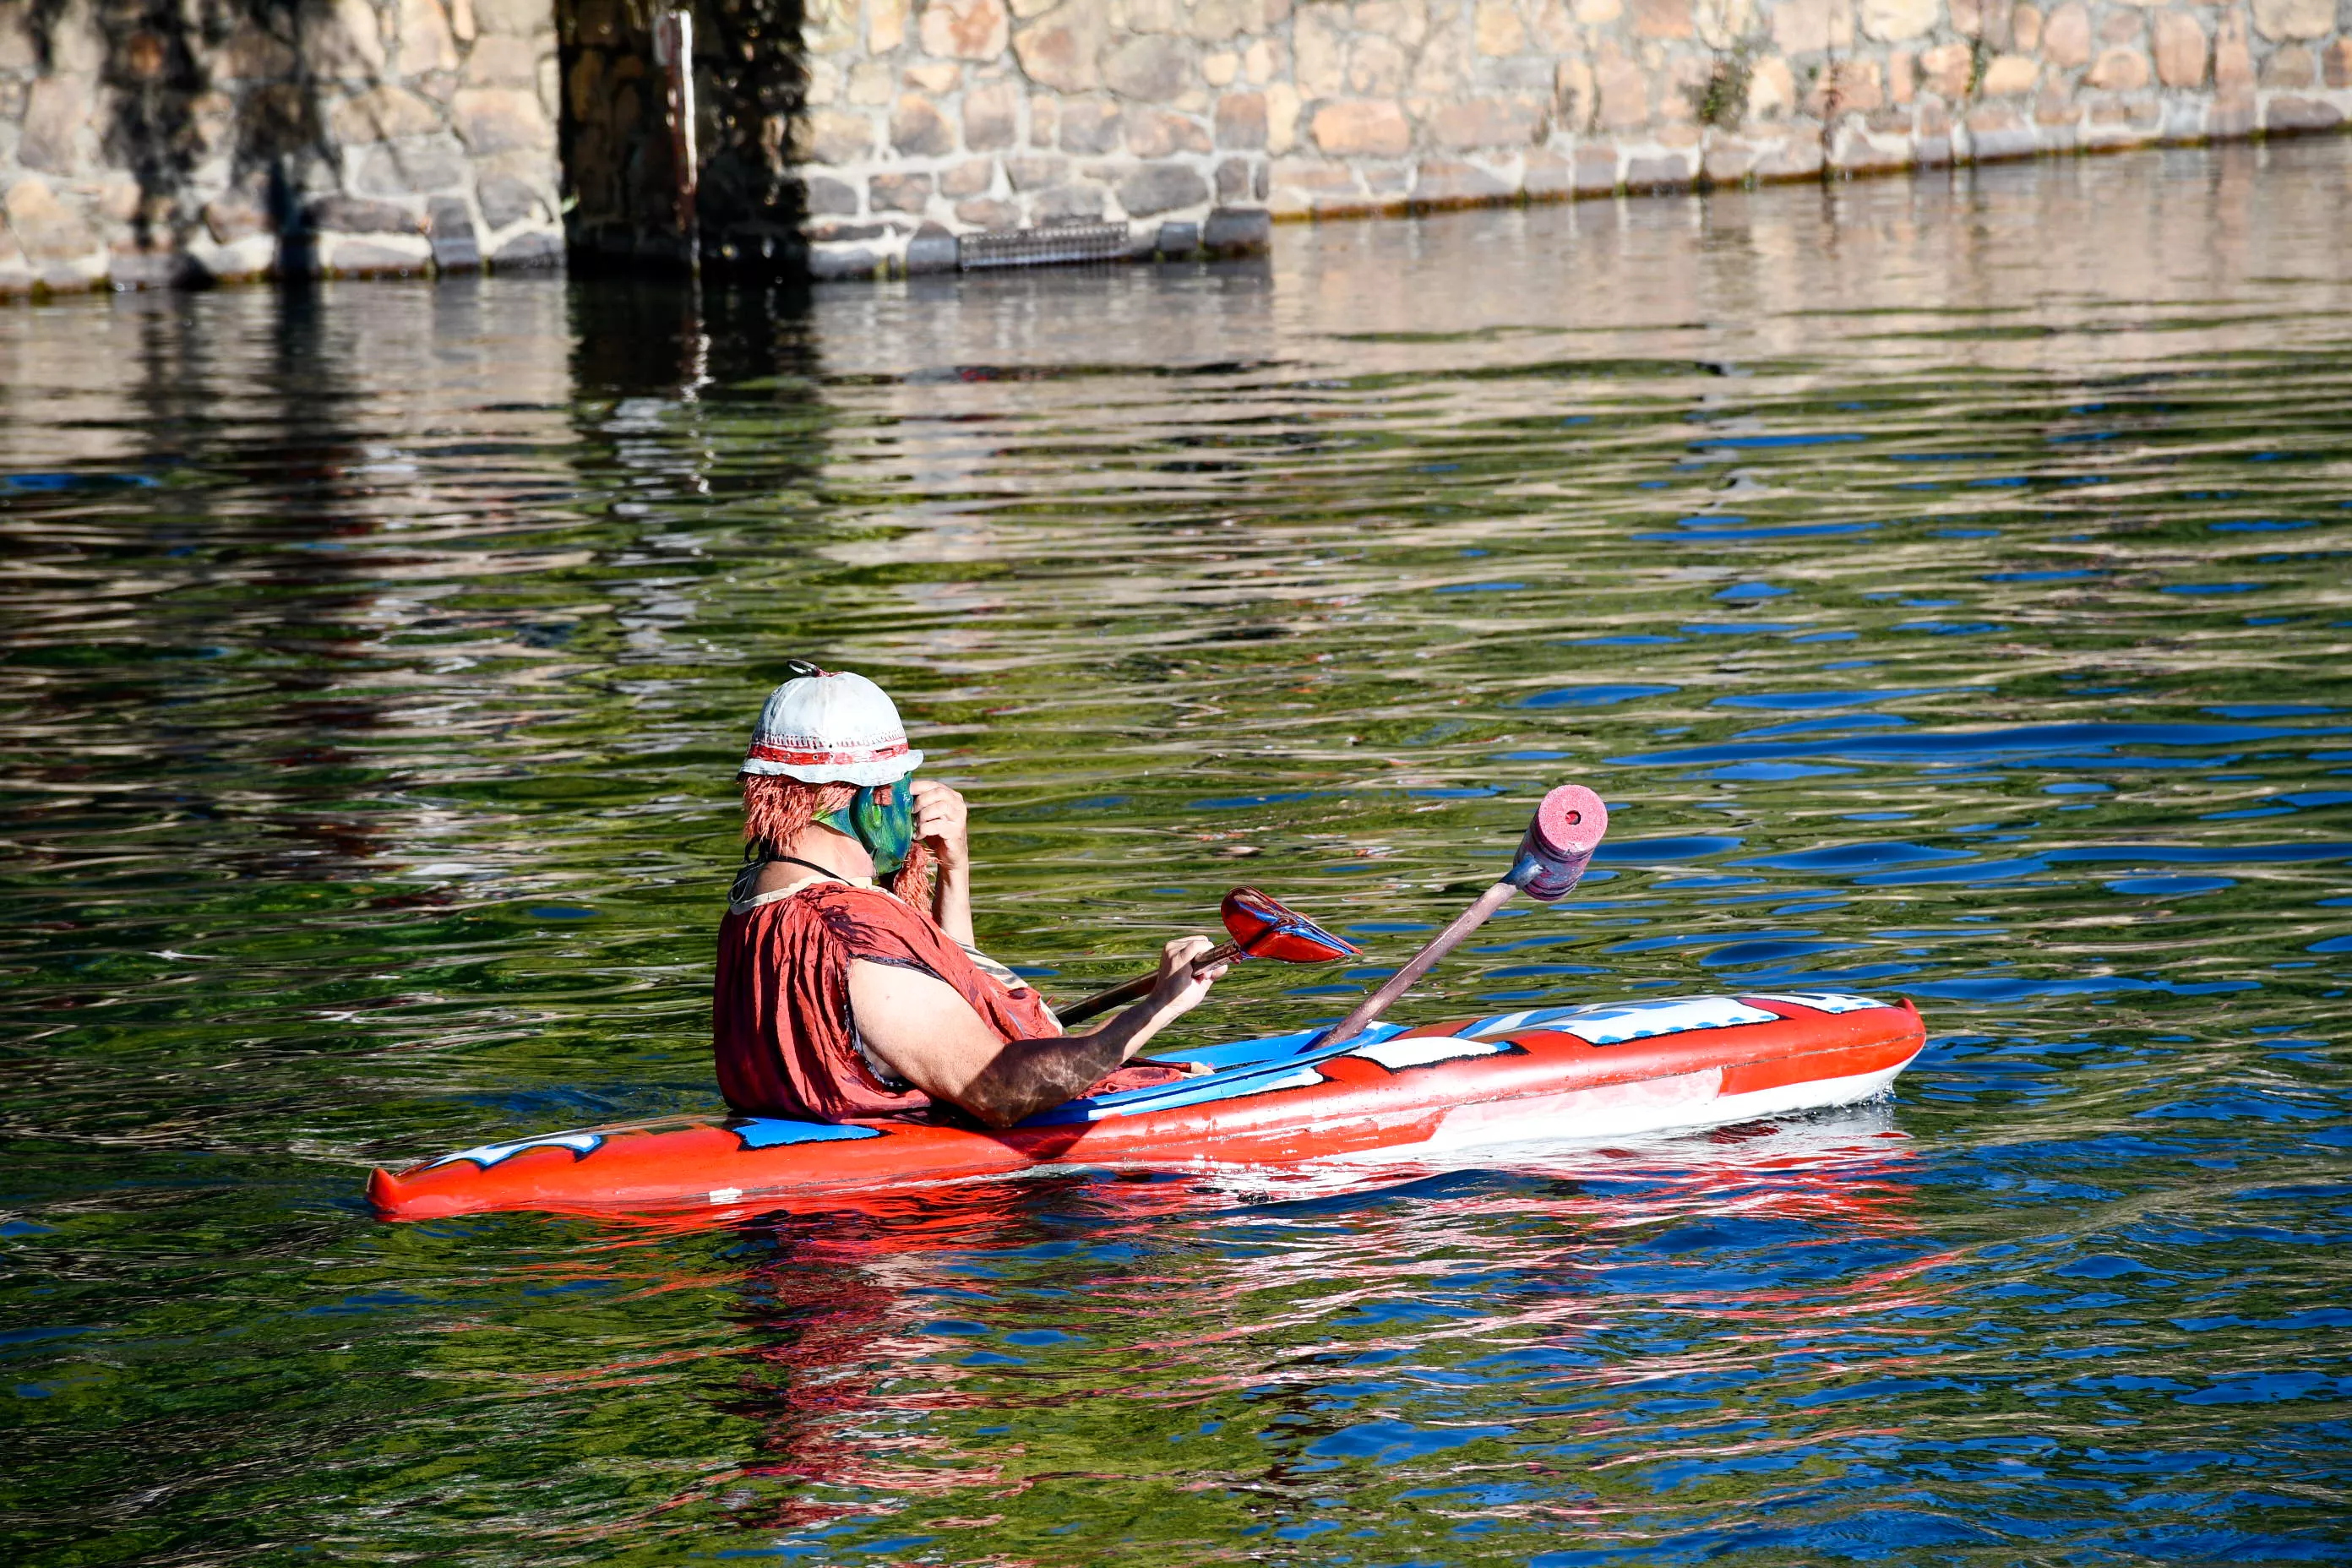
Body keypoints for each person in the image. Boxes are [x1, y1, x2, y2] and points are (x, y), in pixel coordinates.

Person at [713, 664, 1223, 1130]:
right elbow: (1002, 1091)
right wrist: (1158, 1007)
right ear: (877, 796)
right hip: (922, 1219)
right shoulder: (849, 934)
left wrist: (954, 867)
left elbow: (957, 1000)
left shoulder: (760, 905)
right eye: (902, 785)